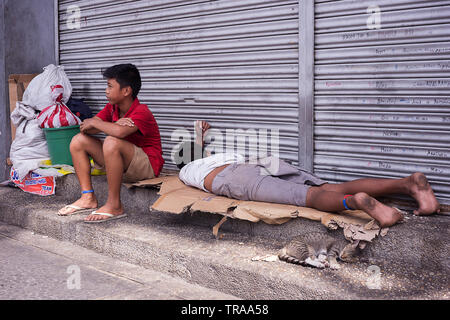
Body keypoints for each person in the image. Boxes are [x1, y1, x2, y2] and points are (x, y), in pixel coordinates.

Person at [176, 121, 441, 228]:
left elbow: (192, 154)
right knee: (332, 186)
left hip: (236, 178)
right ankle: (408, 184)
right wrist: (199, 136)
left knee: (311, 197)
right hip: (259, 162)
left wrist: (194, 147)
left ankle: (357, 202)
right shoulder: (223, 155)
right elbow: (198, 148)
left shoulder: (187, 170)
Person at [58, 64, 164, 223]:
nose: (106, 90)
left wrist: (103, 125)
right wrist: (110, 125)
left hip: (147, 165)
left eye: (110, 86)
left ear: (126, 91)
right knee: (78, 140)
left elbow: (119, 132)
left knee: (111, 141)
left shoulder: (141, 111)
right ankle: (87, 197)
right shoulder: (112, 108)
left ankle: (114, 205)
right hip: (124, 162)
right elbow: (85, 128)